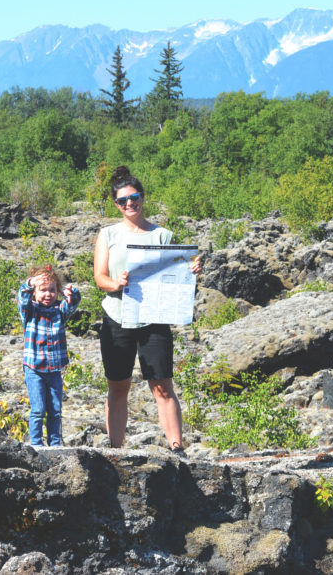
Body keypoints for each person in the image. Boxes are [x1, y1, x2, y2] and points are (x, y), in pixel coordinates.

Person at [92, 166, 200, 455]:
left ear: (143, 197)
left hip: (154, 319)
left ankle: (177, 449)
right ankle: (116, 450)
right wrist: (117, 284)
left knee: (163, 387)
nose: (130, 203)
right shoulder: (108, 235)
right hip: (117, 318)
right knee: (118, 387)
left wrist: (190, 270)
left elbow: (174, 275)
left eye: (134, 197)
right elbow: (99, 277)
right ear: (115, 204)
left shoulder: (163, 235)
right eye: (122, 200)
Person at [17, 264, 81, 447]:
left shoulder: (59, 311)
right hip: (33, 369)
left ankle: (55, 444)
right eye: (43, 290)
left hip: (54, 370)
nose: (48, 294)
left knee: (55, 410)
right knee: (37, 410)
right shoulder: (29, 311)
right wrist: (30, 283)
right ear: (35, 292)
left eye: (52, 290)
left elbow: (74, 303)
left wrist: (72, 292)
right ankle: (36, 444)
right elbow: (22, 297)